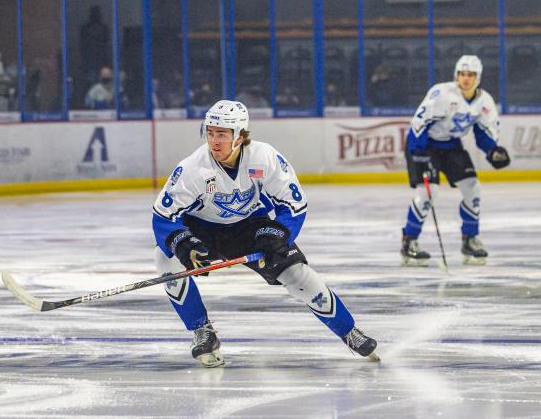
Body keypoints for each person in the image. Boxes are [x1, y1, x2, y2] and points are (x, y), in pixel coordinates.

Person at [152, 100, 378, 368]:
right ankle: (202, 330)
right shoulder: (193, 168)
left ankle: (348, 331)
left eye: (222, 134)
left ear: (241, 136)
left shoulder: (264, 158)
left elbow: (293, 205)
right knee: (165, 258)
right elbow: (163, 217)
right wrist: (183, 244)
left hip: (251, 227)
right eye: (210, 132)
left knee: (297, 273)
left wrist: (277, 234)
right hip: (203, 230)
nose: (214, 140)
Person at [400, 55, 510, 267]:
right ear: (456, 76)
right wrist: (418, 152)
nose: (465, 79)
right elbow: (419, 123)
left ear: (478, 78)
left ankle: (470, 239)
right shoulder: (441, 93)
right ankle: (409, 241)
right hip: (425, 145)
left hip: (451, 146)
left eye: (470, 75)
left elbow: (483, 134)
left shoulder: (484, 102)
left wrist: (493, 150)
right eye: (462, 74)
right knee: (427, 193)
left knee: (473, 188)